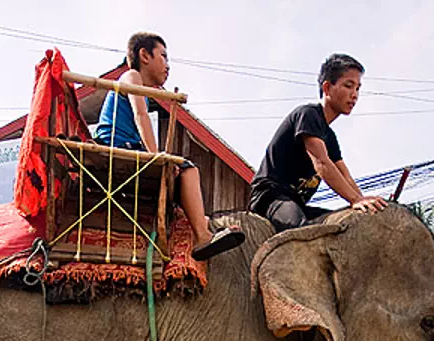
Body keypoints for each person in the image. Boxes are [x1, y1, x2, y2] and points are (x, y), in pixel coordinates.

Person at [94, 32, 245, 261]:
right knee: (188, 169)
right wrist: (158, 158)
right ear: (144, 55)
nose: (168, 66)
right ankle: (203, 235)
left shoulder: (140, 87)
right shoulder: (131, 76)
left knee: (180, 173)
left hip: (130, 148)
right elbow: (140, 116)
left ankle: (203, 224)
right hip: (117, 147)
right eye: (163, 56)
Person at [250, 53, 388, 232]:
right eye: (348, 86)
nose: (354, 95)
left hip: (297, 203)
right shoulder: (308, 115)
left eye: (358, 89)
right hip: (271, 197)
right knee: (304, 232)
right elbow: (322, 162)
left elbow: (345, 175)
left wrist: (364, 204)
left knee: (343, 227)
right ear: (327, 88)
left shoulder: (330, 137)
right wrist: (354, 200)